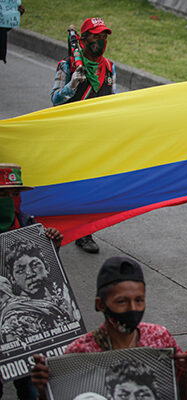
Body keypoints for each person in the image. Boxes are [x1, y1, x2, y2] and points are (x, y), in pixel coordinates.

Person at [30, 256, 187, 400]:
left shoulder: (160, 337)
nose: (133, 309)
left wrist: (185, 373)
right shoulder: (78, 352)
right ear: (100, 304)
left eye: (139, 300)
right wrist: (46, 391)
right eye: (122, 301)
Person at [50, 17, 117, 254]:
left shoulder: (109, 67)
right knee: (66, 184)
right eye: (96, 36)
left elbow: (112, 98)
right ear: (84, 38)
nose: (100, 40)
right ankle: (52, 229)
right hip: (70, 135)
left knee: (92, 186)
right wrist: (72, 85)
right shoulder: (67, 65)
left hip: (96, 136)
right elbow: (55, 100)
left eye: (104, 36)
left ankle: (84, 232)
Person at [1, 163, 63, 400]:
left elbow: (48, 275)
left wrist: (51, 246)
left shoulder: (28, 224)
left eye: (14, 194)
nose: (9, 200)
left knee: (31, 396)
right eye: (2, 195)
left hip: (27, 334)